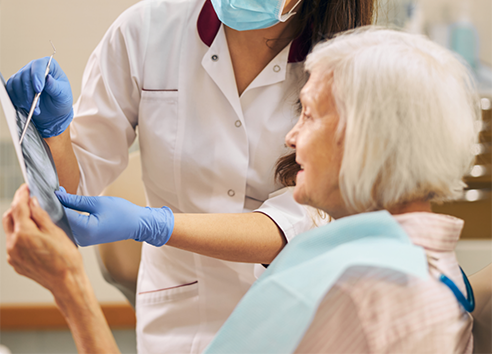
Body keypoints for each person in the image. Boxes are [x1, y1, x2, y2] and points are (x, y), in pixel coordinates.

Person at [6, 0, 381, 352]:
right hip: (177, 319)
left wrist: (156, 225)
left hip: (294, 318)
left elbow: (298, 221)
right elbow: (75, 193)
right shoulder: (146, 34)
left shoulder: (339, 73)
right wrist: (52, 133)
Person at [4, 27, 478, 354]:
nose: (291, 138)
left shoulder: (361, 296)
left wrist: (70, 288)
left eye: (308, 115)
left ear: (368, 140)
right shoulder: (427, 269)